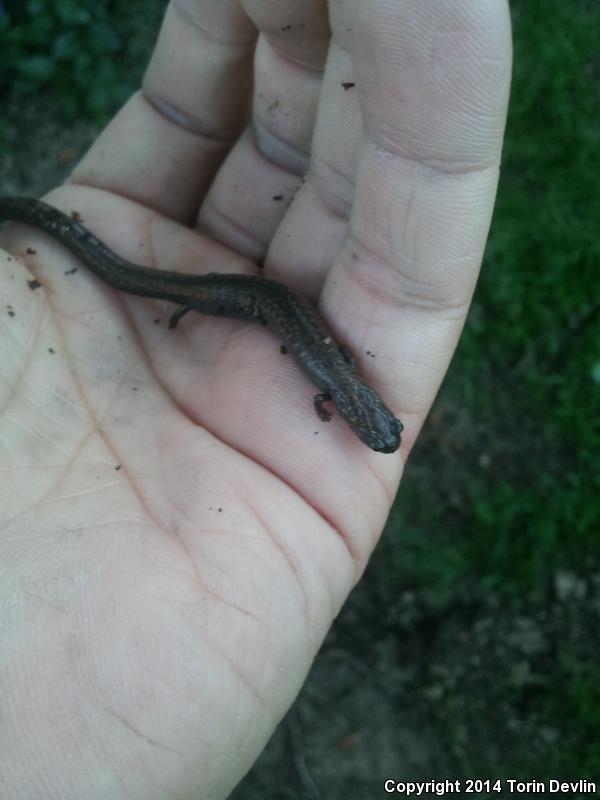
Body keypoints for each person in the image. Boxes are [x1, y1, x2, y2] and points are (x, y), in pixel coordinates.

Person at [0, 1, 512, 797]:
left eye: (374, 430)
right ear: (362, 409)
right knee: (133, 276)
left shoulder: (342, 385)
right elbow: (322, 381)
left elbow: (324, 378)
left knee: (141, 277)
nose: (376, 430)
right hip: (235, 295)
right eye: (376, 426)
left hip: (245, 296)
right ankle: (54, 231)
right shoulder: (340, 390)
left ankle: (71, 239)